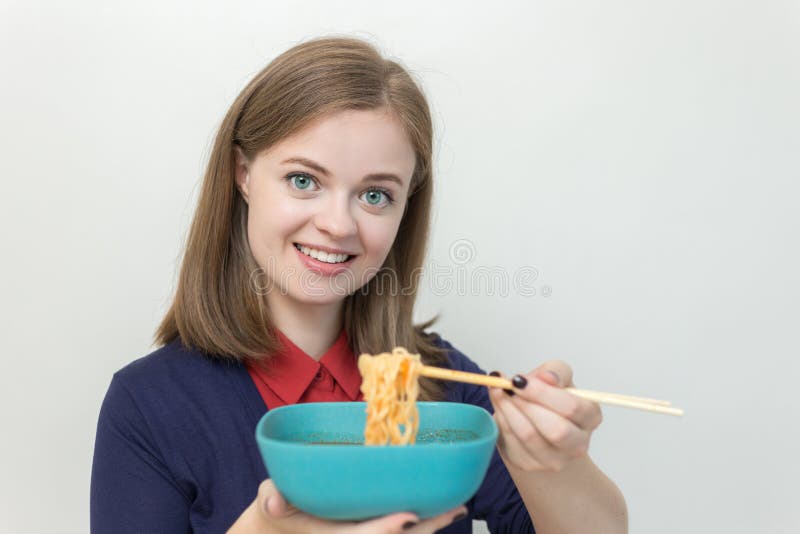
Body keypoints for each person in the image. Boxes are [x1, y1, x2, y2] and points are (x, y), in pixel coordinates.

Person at [90, 36, 628, 534]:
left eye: (375, 195)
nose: (339, 225)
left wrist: (558, 463)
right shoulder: (148, 407)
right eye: (303, 180)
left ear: (404, 209)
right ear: (243, 174)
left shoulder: (442, 387)